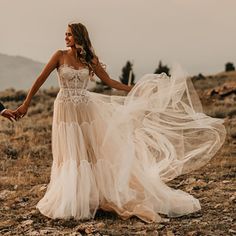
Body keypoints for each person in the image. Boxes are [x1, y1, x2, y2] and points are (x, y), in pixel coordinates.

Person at [14, 22, 226, 223]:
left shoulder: (90, 59)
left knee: (92, 152)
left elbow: (110, 82)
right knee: (71, 153)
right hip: (65, 110)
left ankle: (95, 197)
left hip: (86, 109)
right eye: (65, 33)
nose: (65, 37)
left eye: (69, 33)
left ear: (78, 36)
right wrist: (25, 104)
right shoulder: (59, 56)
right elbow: (40, 79)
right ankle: (73, 198)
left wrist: (135, 89)